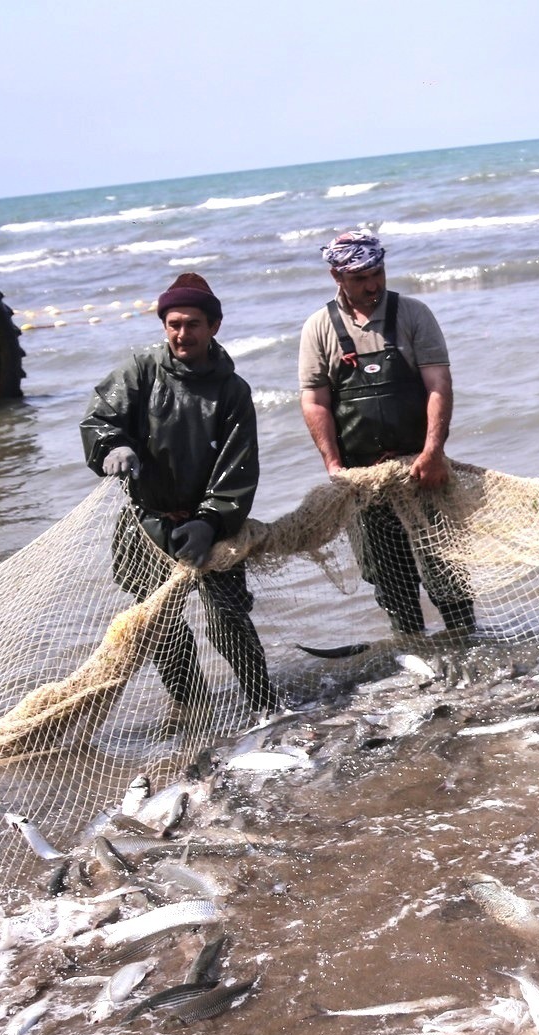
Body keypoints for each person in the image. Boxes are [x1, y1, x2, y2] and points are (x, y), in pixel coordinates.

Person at [82, 273, 278, 719]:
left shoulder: (232, 391)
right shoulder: (140, 371)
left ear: (214, 327)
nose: (181, 334)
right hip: (146, 522)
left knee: (228, 620)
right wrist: (112, 446)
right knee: (160, 624)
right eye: (173, 324)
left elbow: (238, 465)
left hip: (211, 525)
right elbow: (99, 420)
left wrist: (210, 520)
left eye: (192, 324)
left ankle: (265, 704)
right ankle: (192, 708)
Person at [299, 231, 474, 637]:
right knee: (389, 578)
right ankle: (416, 651)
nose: (373, 284)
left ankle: (467, 641)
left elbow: (438, 384)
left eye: (377, 272)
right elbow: (315, 402)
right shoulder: (318, 327)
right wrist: (334, 466)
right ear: (336, 276)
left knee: (445, 568)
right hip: (362, 481)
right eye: (360, 277)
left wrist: (433, 452)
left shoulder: (413, 314)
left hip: (421, 472)